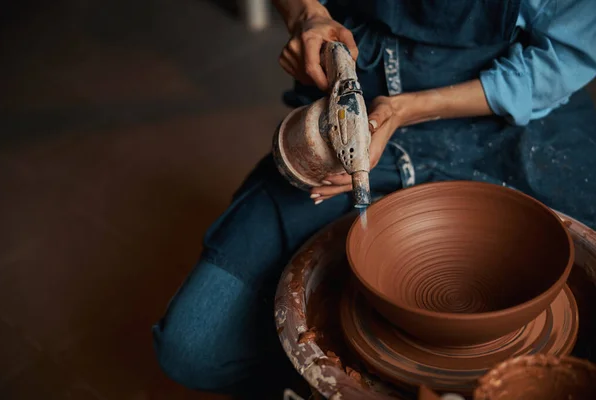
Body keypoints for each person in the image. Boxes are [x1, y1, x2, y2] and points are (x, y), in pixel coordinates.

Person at [153, 0, 596, 396]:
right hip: (351, 121)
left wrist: (406, 109)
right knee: (192, 348)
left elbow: (559, 58)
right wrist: (306, 15)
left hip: (497, 125)